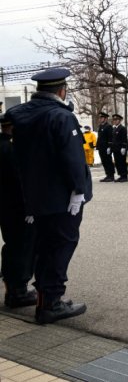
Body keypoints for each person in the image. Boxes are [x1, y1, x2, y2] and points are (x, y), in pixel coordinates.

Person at [7, 67, 90, 323]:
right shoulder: (61, 117)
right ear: (61, 90)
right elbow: (73, 158)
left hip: (34, 195)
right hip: (61, 197)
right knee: (61, 246)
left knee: (44, 247)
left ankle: (44, 297)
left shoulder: (20, 115)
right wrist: (79, 190)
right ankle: (51, 303)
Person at [0, 114, 36, 308]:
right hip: (17, 207)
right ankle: (18, 292)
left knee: (10, 246)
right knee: (22, 247)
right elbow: (20, 181)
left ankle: (10, 288)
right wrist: (30, 206)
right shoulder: (12, 149)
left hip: (4, 207)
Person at [96, 112, 114, 182]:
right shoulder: (101, 126)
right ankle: (107, 175)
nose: (100, 119)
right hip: (101, 147)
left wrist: (109, 147)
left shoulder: (108, 126)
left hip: (106, 147)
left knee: (108, 161)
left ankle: (111, 175)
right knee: (104, 161)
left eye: (102, 118)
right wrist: (98, 146)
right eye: (100, 118)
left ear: (106, 119)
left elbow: (110, 137)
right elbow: (100, 137)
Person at [110, 114, 128, 182]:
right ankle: (120, 175)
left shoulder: (122, 128)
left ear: (119, 120)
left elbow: (124, 139)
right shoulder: (114, 128)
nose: (115, 121)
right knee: (117, 163)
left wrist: (123, 147)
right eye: (114, 120)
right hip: (115, 148)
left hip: (120, 148)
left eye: (116, 120)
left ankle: (124, 176)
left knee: (122, 162)